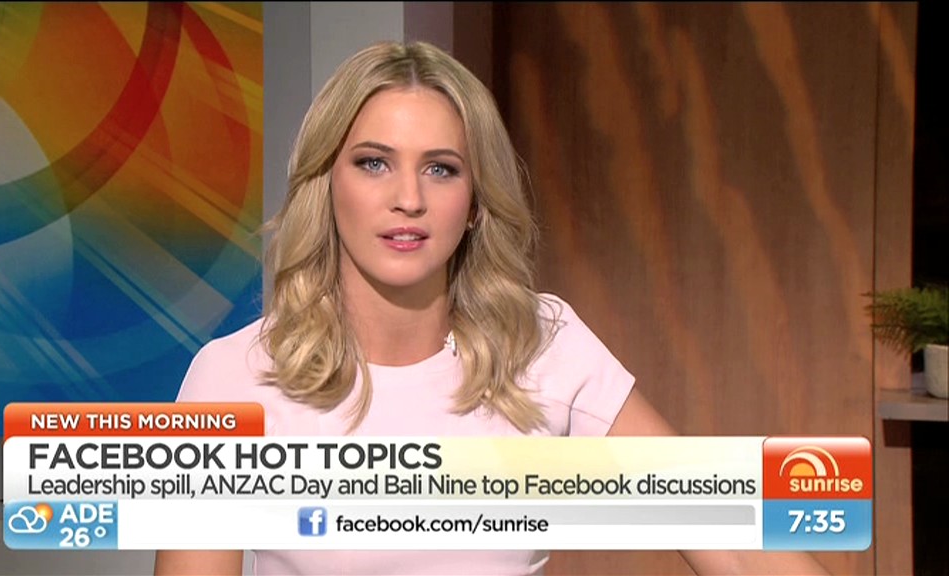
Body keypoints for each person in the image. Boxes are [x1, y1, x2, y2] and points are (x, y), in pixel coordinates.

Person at [155, 41, 828, 576]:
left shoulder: (543, 345)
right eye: (374, 163)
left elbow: (730, 533)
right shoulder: (234, 376)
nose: (409, 199)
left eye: (441, 168)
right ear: (326, 184)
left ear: (476, 202)